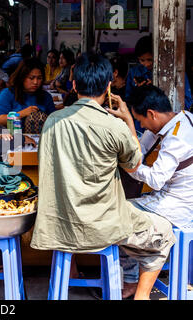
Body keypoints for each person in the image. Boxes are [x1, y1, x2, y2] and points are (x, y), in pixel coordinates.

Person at [30, 52, 176, 300]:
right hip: (103, 227)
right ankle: (140, 296)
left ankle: (81, 275)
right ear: (109, 86)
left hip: (59, 225)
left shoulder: (53, 121)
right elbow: (135, 164)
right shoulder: (113, 125)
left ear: (74, 85)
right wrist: (129, 120)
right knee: (164, 234)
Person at [119, 85, 193, 298]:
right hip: (170, 198)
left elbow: (156, 179)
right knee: (127, 210)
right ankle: (136, 278)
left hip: (177, 206)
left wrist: (132, 167)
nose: (142, 126)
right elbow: (140, 149)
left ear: (151, 113)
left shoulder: (177, 137)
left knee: (116, 214)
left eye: (141, 121)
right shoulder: (179, 119)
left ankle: (133, 280)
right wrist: (133, 130)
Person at [125, 35, 192, 111]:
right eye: (142, 60)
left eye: (150, 60)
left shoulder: (176, 72)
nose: (146, 64)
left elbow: (187, 101)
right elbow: (129, 99)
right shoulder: (134, 72)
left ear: (157, 56)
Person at [0, 57, 56, 134]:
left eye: (39, 78)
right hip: (14, 140)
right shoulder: (8, 94)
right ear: (22, 77)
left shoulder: (46, 97)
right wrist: (21, 114)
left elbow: (54, 121)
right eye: (31, 78)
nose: (35, 82)